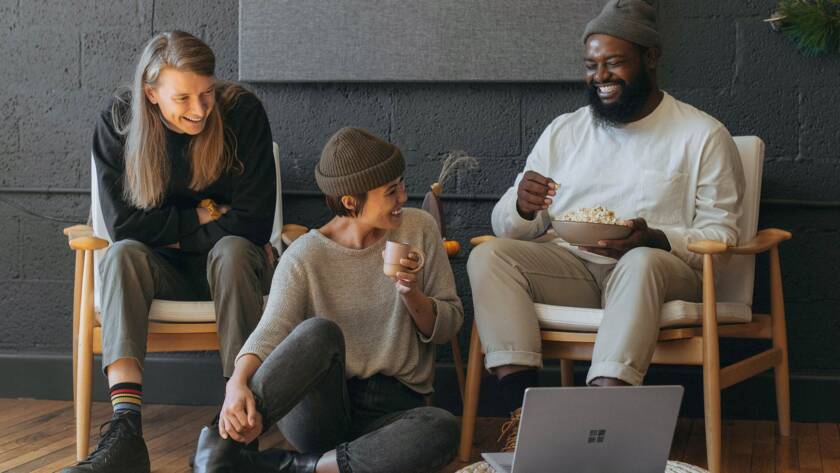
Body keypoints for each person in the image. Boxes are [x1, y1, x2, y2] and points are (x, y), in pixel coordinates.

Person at [467, 0, 745, 450]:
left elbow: (722, 236)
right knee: (489, 256)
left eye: (614, 63)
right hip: (574, 268)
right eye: (591, 65)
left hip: (662, 274)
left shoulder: (702, 135)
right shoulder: (565, 131)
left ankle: (602, 420)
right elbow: (508, 229)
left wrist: (657, 239)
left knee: (641, 261)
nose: (600, 76)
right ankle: (523, 421)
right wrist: (522, 206)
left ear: (650, 58)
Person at [62, 31, 277, 473]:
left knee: (233, 251)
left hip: (235, 270)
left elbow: (253, 223)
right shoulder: (118, 122)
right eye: (183, 98)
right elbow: (124, 226)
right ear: (151, 93)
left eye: (206, 93)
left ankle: (235, 423)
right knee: (122, 255)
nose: (200, 109)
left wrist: (166, 230)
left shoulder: (243, 113)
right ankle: (126, 431)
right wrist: (203, 215)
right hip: (160, 272)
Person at [192, 127, 463, 473]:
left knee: (442, 428)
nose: (403, 197)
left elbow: (449, 325)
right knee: (318, 331)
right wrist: (236, 383)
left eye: (401, 184)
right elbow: (271, 329)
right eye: (391, 191)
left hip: (393, 411)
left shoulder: (419, 228)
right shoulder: (305, 255)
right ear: (350, 201)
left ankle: (295, 467)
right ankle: (221, 449)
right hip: (320, 411)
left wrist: (411, 293)